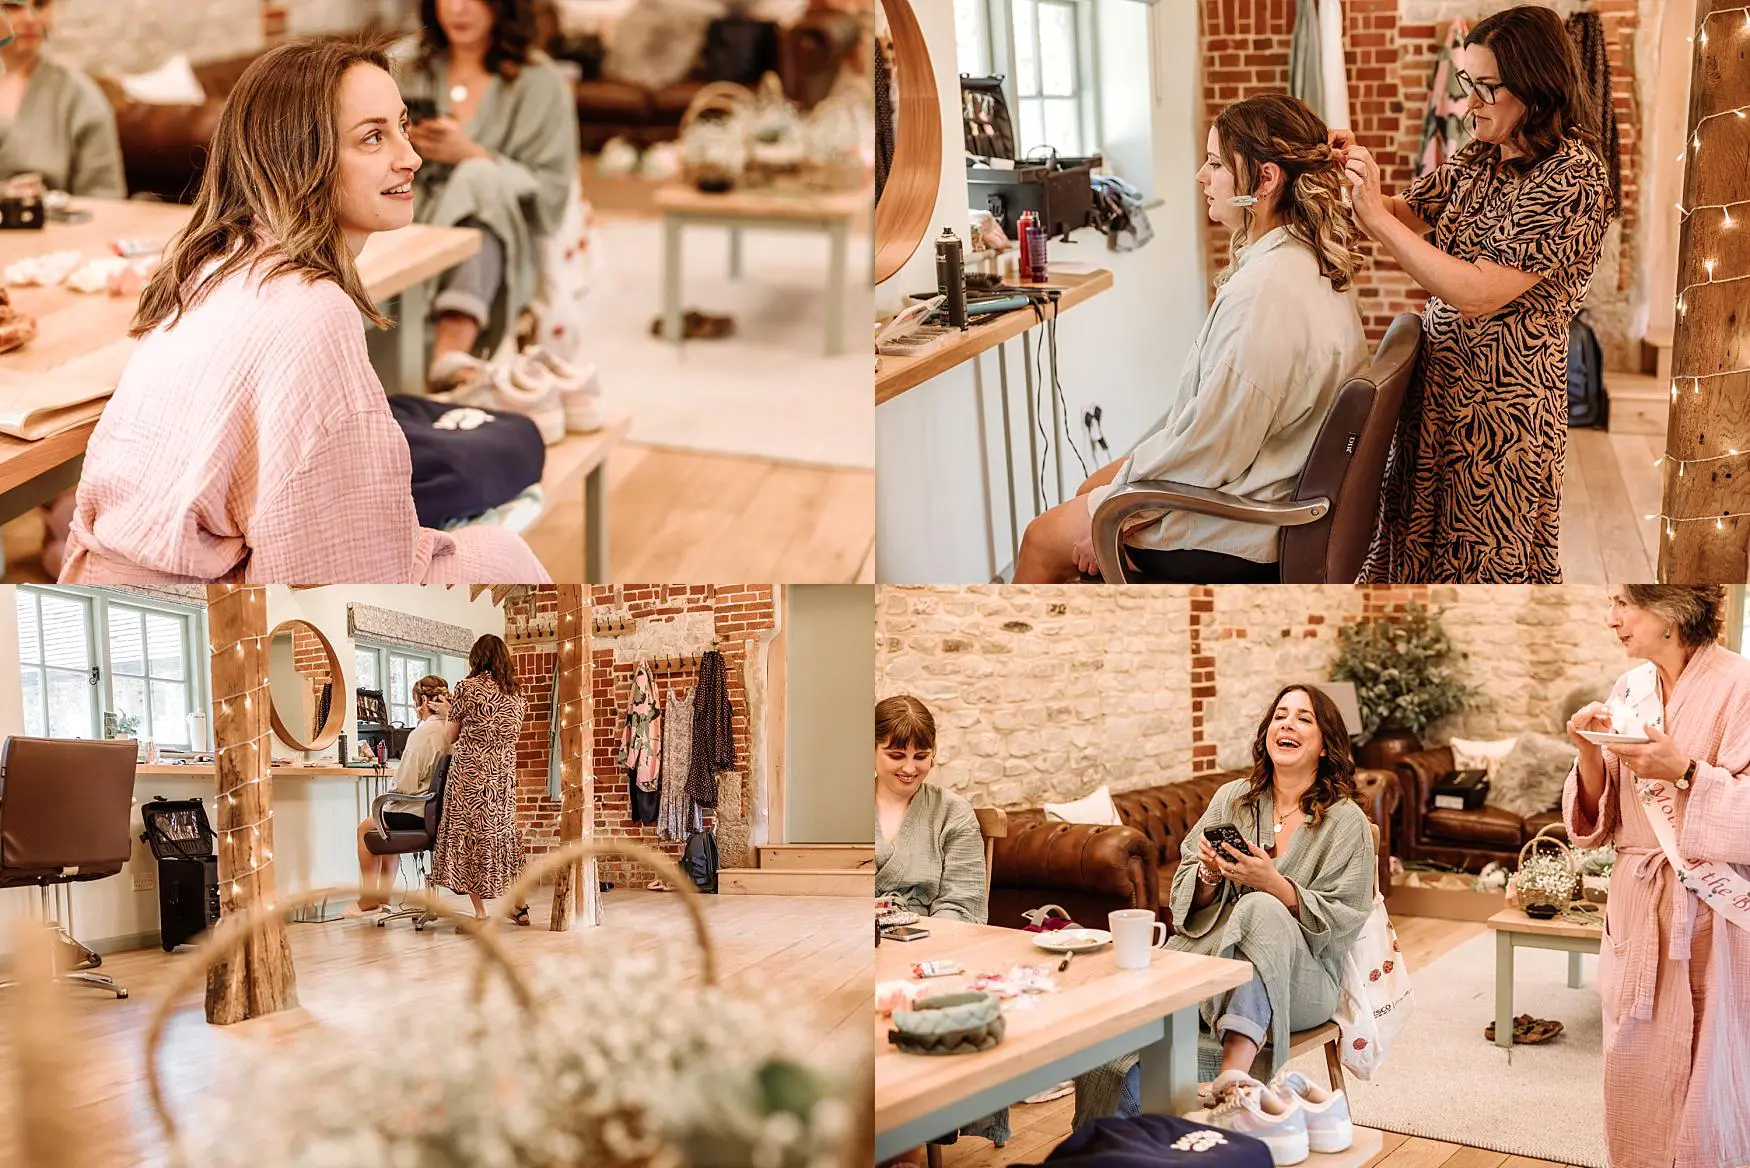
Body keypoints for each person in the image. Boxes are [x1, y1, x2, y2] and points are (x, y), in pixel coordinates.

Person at [57, 35, 548, 584]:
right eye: (373, 138)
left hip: (101, 585)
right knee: (504, 555)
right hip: (195, 619)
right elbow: (338, 579)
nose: (410, 158)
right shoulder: (313, 308)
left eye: (403, 127)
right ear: (299, 157)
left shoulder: (208, 264)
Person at [1013, 94, 1368, 584]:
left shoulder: (1263, 296)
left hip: (1247, 518)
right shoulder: (1305, 258)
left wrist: (1121, 517)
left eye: (1217, 163)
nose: (1202, 175)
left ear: (1265, 180)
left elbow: (1212, 450)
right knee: (1089, 485)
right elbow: (1214, 432)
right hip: (1272, 472)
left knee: (1040, 539)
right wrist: (1113, 493)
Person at [1340, 5, 1611, 583]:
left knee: (1484, 571)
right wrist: (1353, 175)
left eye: (1488, 87)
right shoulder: (1479, 157)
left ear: (1537, 88)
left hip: (1502, 416)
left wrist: (1379, 223)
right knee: (1412, 555)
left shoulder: (1575, 177)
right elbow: (1403, 215)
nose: (1471, 102)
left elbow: (1479, 293)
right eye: (1469, 83)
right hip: (1437, 394)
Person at [1074, 685, 1375, 1130]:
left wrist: (1274, 884)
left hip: (1305, 979)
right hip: (1214, 964)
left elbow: (1344, 921)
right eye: (1279, 715)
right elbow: (1183, 893)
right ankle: (1118, 1152)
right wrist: (1209, 876)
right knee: (1117, 1058)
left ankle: (1235, 1074)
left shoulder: (1346, 822)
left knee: (1259, 907)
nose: (1286, 724)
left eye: (1303, 719)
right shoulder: (1232, 799)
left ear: (1326, 743)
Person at [1563, 586, 1750, 1168]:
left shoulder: (1742, 687)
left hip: (1711, 905)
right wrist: (1587, 753)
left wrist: (1687, 771)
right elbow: (1603, 816)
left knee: (1710, 1059)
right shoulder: (1631, 689)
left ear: (1670, 610)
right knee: (1632, 1048)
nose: (1610, 618)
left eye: (1624, 604)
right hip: (1638, 897)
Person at [395, 0, 578, 385]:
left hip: (502, 236)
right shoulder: (405, 66)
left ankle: (451, 347)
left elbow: (552, 193)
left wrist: (473, 155)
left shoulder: (540, 82)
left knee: (479, 178)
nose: (458, 9)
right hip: (408, 217)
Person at [873, 694, 1007, 1151]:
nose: (910, 767)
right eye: (896, 755)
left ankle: (905, 1143)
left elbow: (966, 905)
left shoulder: (952, 812)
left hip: (932, 950)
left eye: (921, 755)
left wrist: (914, 946)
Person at [431, 634, 530, 923]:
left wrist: (449, 713)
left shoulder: (467, 688)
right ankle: (519, 905)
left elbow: (449, 737)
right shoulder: (516, 693)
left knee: (473, 836)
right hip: (502, 776)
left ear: (476, 658)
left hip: (471, 774)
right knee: (504, 835)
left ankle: (481, 911)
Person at [0, 0, 125, 198]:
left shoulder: (82, 99)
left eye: (40, 5)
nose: (31, 19)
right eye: (13, 6)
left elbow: (106, 200)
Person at [352, 674, 452, 913]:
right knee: (384, 825)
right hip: (442, 813)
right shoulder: (451, 730)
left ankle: (369, 900)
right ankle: (383, 900)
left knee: (367, 827)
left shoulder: (422, 734)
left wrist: (390, 797)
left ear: (424, 702)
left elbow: (406, 785)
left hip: (418, 811)